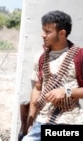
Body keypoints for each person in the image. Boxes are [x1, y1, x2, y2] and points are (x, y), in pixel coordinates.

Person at [22, 10, 83, 141]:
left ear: (62, 33)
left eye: (48, 31)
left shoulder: (79, 56)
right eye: (43, 30)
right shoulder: (41, 57)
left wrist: (67, 92)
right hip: (42, 122)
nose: (43, 35)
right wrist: (30, 120)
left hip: (69, 122)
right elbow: (37, 89)